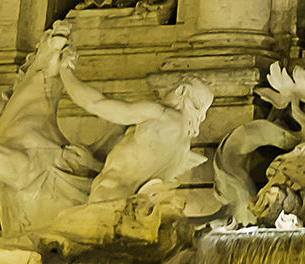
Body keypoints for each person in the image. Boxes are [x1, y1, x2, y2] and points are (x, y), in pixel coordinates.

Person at [56, 56, 215, 205]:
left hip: (107, 198)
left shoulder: (161, 114)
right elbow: (134, 171)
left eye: (171, 88)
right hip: (127, 201)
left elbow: (96, 103)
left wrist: (65, 71)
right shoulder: (183, 145)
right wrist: (92, 164)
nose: (164, 92)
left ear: (181, 91)